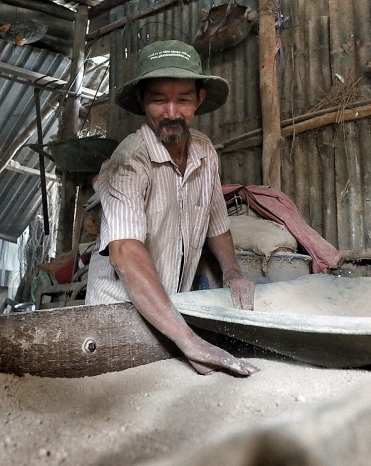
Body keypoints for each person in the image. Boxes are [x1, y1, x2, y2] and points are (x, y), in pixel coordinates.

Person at [85, 40, 259, 377]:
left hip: (171, 316)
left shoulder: (205, 152)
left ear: (199, 99)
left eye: (183, 99)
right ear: (141, 100)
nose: (172, 112)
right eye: (158, 100)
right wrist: (190, 341)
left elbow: (216, 223)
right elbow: (124, 250)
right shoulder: (129, 158)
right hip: (118, 314)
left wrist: (232, 272)